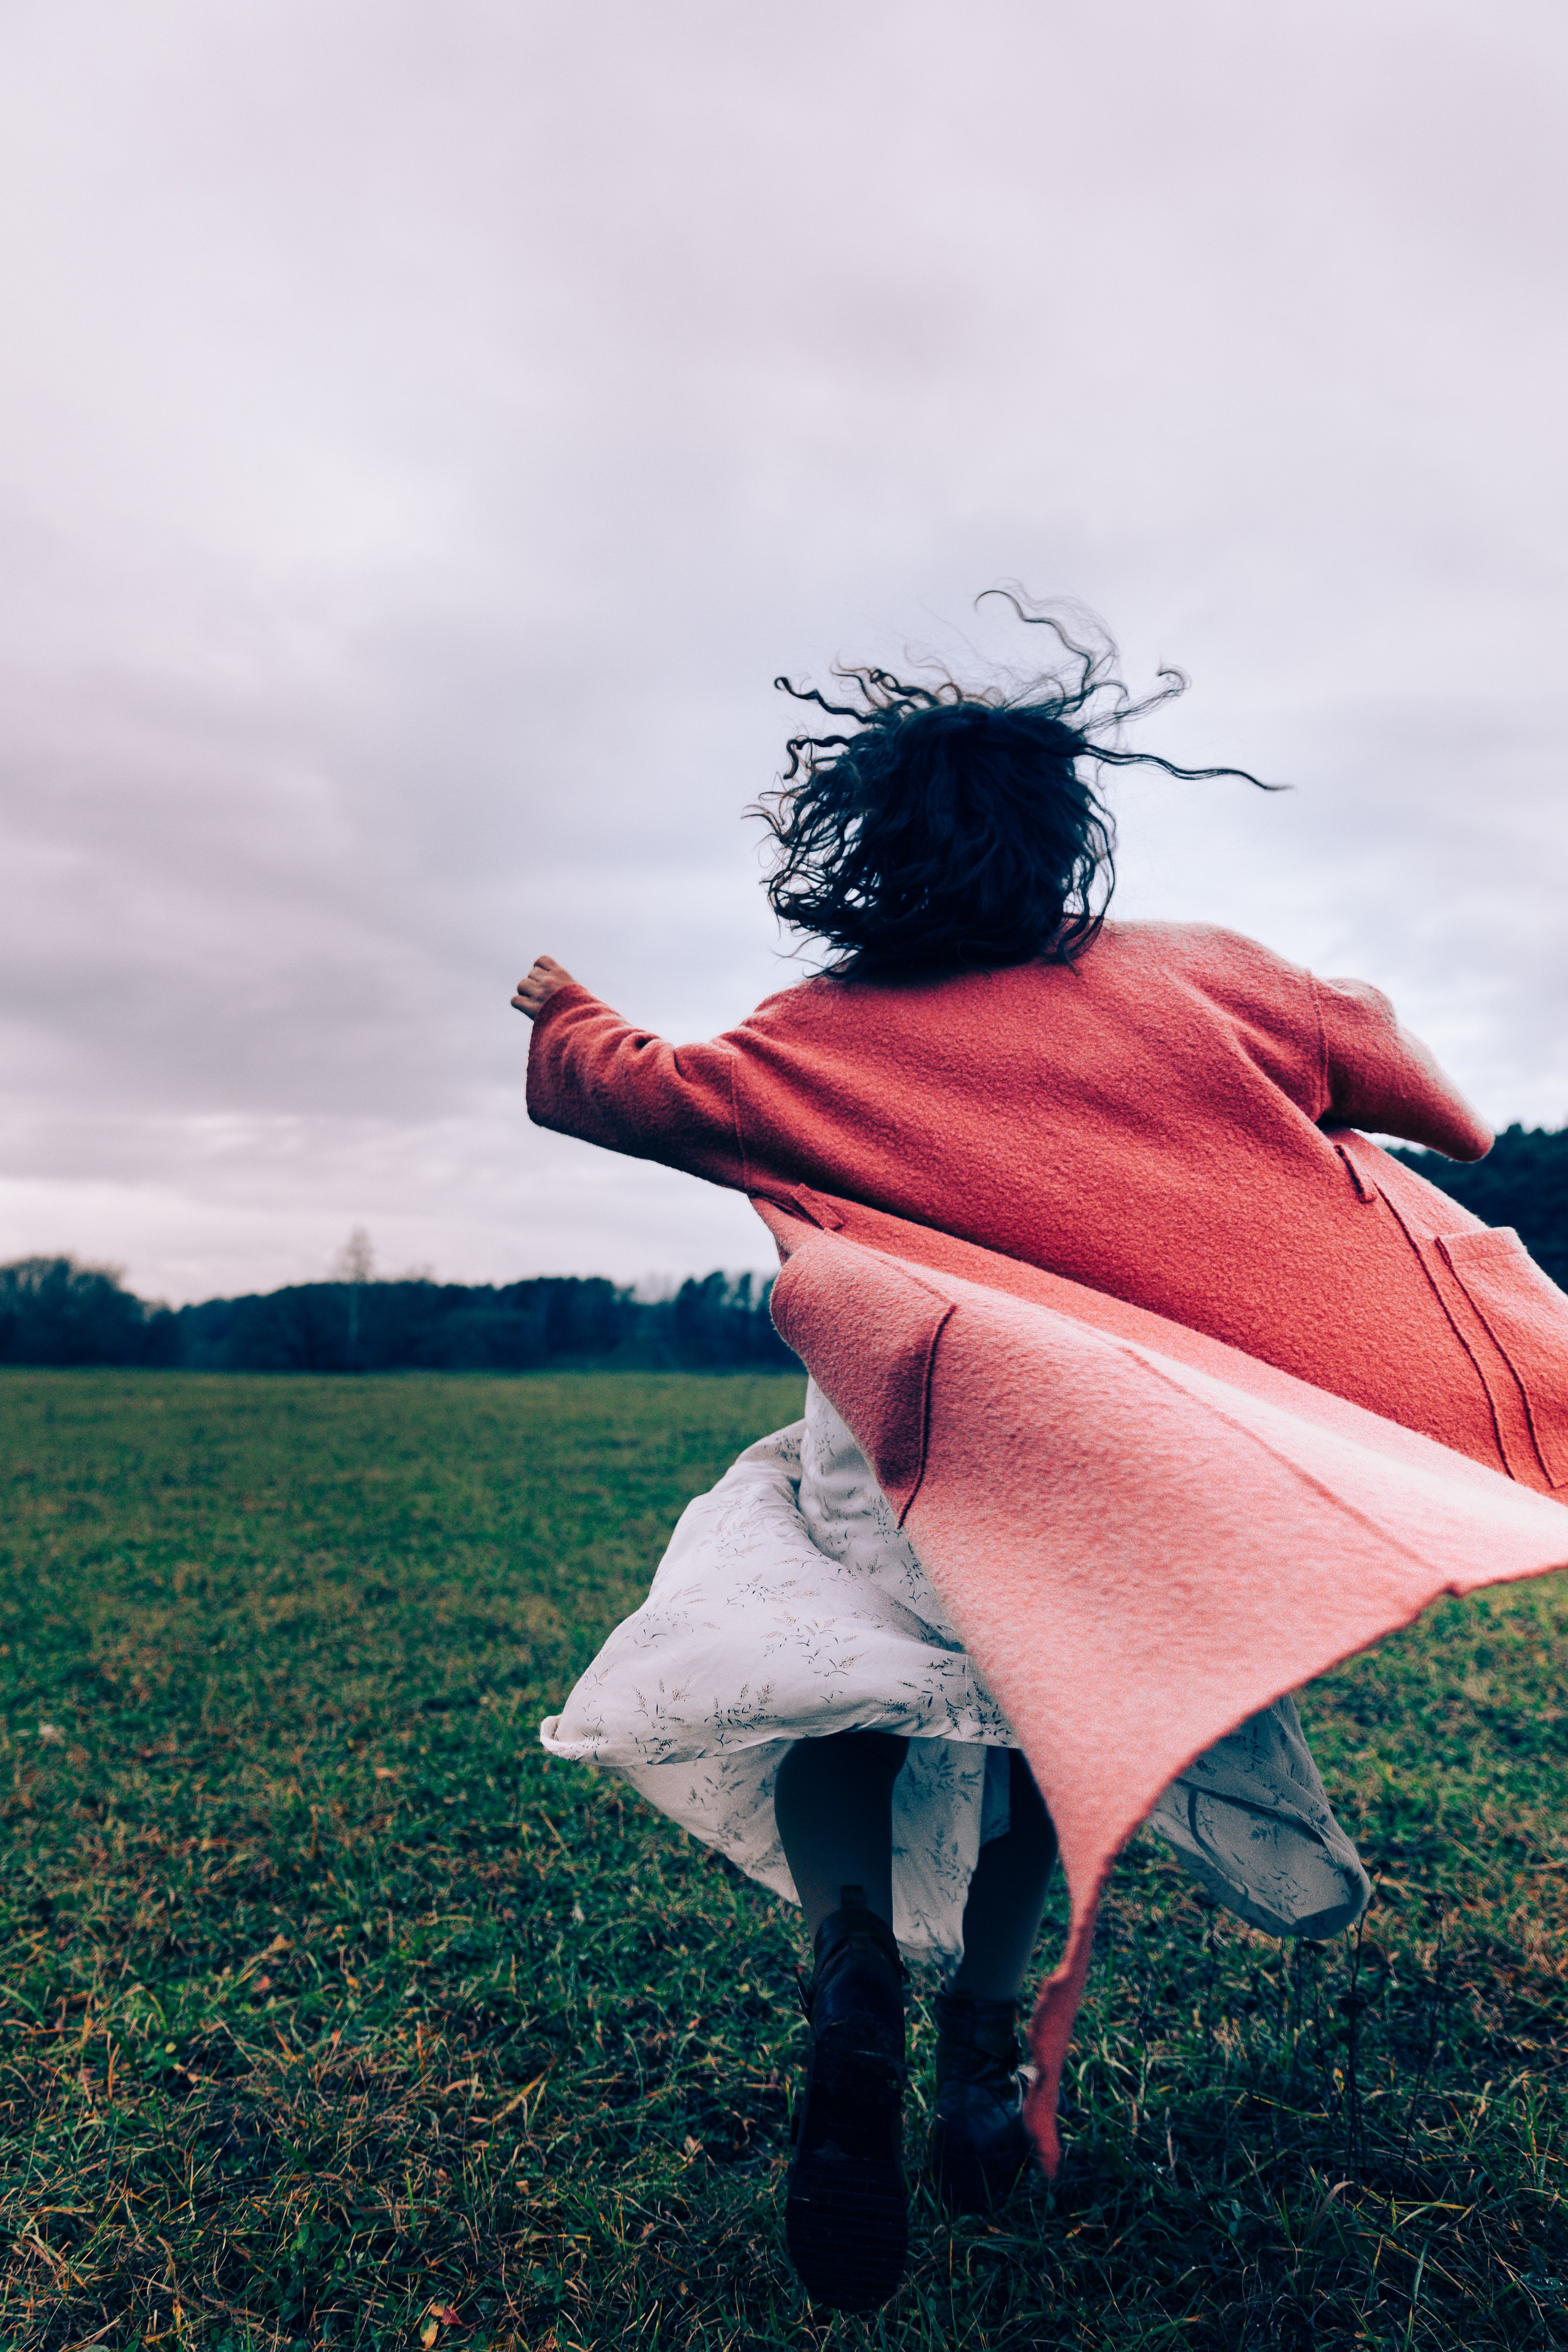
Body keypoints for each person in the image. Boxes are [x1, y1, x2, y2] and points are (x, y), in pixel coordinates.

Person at [511, 602, 1528, 2315]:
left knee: (837, 1679)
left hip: (901, 1422)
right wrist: (1382, 1127)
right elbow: (1389, 1066)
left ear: (861, 853)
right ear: (1059, 841)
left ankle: (852, 1964)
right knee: (1042, 1710)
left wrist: (570, 1009)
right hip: (1116, 1434)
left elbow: (633, 1091)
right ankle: (982, 2064)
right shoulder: (1198, 978)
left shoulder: (817, 1033)